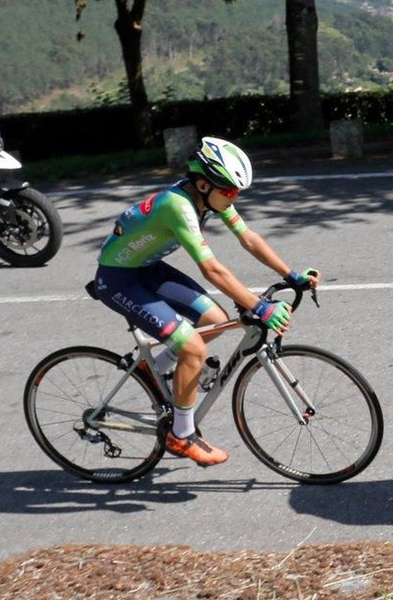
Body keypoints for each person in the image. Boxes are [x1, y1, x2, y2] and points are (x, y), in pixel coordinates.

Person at [93, 136, 320, 466]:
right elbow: (212, 269)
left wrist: (292, 274)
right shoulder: (178, 206)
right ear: (202, 184)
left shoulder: (208, 197)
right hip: (117, 278)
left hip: (146, 268)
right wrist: (259, 306)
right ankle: (181, 435)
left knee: (215, 321)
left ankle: (153, 369)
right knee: (194, 349)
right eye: (229, 192)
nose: (234, 198)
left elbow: (248, 238)